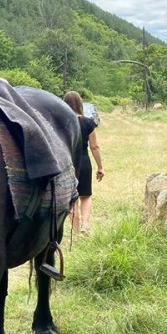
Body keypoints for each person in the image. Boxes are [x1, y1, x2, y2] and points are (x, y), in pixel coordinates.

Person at [63, 91, 105, 233]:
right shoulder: (88, 123)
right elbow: (94, 147)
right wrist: (100, 167)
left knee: (72, 198)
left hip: (67, 162)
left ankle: (74, 230)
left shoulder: (62, 123)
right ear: (80, 104)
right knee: (85, 195)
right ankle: (85, 225)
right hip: (84, 160)